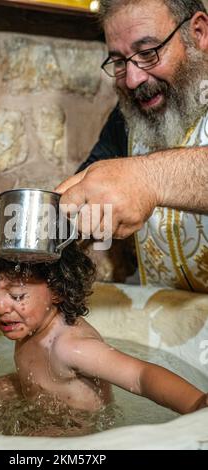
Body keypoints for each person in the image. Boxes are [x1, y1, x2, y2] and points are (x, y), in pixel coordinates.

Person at [0, 208, 208, 414]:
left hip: (74, 432)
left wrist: (196, 404)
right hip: (43, 406)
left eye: (17, 295)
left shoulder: (71, 346)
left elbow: (141, 376)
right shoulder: (30, 328)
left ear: (57, 289)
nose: (0, 308)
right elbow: (44, 377)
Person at [56, 0, 208, 293]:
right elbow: (80, 196)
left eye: (149, 53)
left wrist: (148, 178)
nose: (133, 79)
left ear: (199, 32)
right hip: (162, 327)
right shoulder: (130, 115)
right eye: (119, 61)